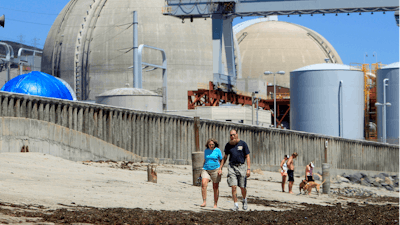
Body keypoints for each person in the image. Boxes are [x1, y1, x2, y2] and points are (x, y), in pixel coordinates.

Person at [218, 129, 251, 211]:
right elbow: (225, 157)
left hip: (242, 167)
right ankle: (235, 204)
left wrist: (249, 169)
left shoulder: (243, 144)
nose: (232, 136)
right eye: (231, 135)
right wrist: (220, 168)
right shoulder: (228, 145)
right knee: (233, 186)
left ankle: (244, 199)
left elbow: (247, 156)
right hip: (232, 167)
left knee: (242, 187)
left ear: (237, 134)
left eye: (234, 135)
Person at [200, 138, 223, 208]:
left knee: (215, 187)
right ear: (208, 145)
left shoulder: (217, 150)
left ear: (214, 144)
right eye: (210, 144)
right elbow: (205, 160)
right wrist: (201, 168)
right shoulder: (206, 151)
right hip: (206, 169)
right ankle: (204, 201)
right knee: (203, 184)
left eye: (212, 144)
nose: (211, 146)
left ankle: (215, 203)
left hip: (215, 169)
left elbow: (222, 160)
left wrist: (220, 169)